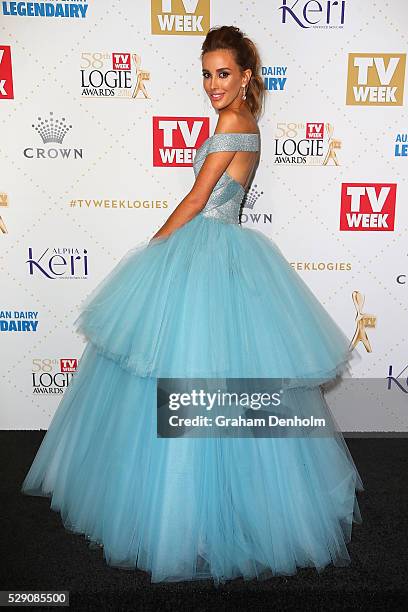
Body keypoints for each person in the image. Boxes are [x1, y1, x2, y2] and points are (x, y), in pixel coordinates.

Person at [21, 25, 364, 585]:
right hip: (225, 255)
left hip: (205, 249)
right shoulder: (248, 123)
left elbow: (198, 199)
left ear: (247, 75)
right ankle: (227, 510)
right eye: (206, 74)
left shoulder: (232, 123)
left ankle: (187, 522)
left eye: (223, 73)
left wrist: (154, 248)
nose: (212, 85)